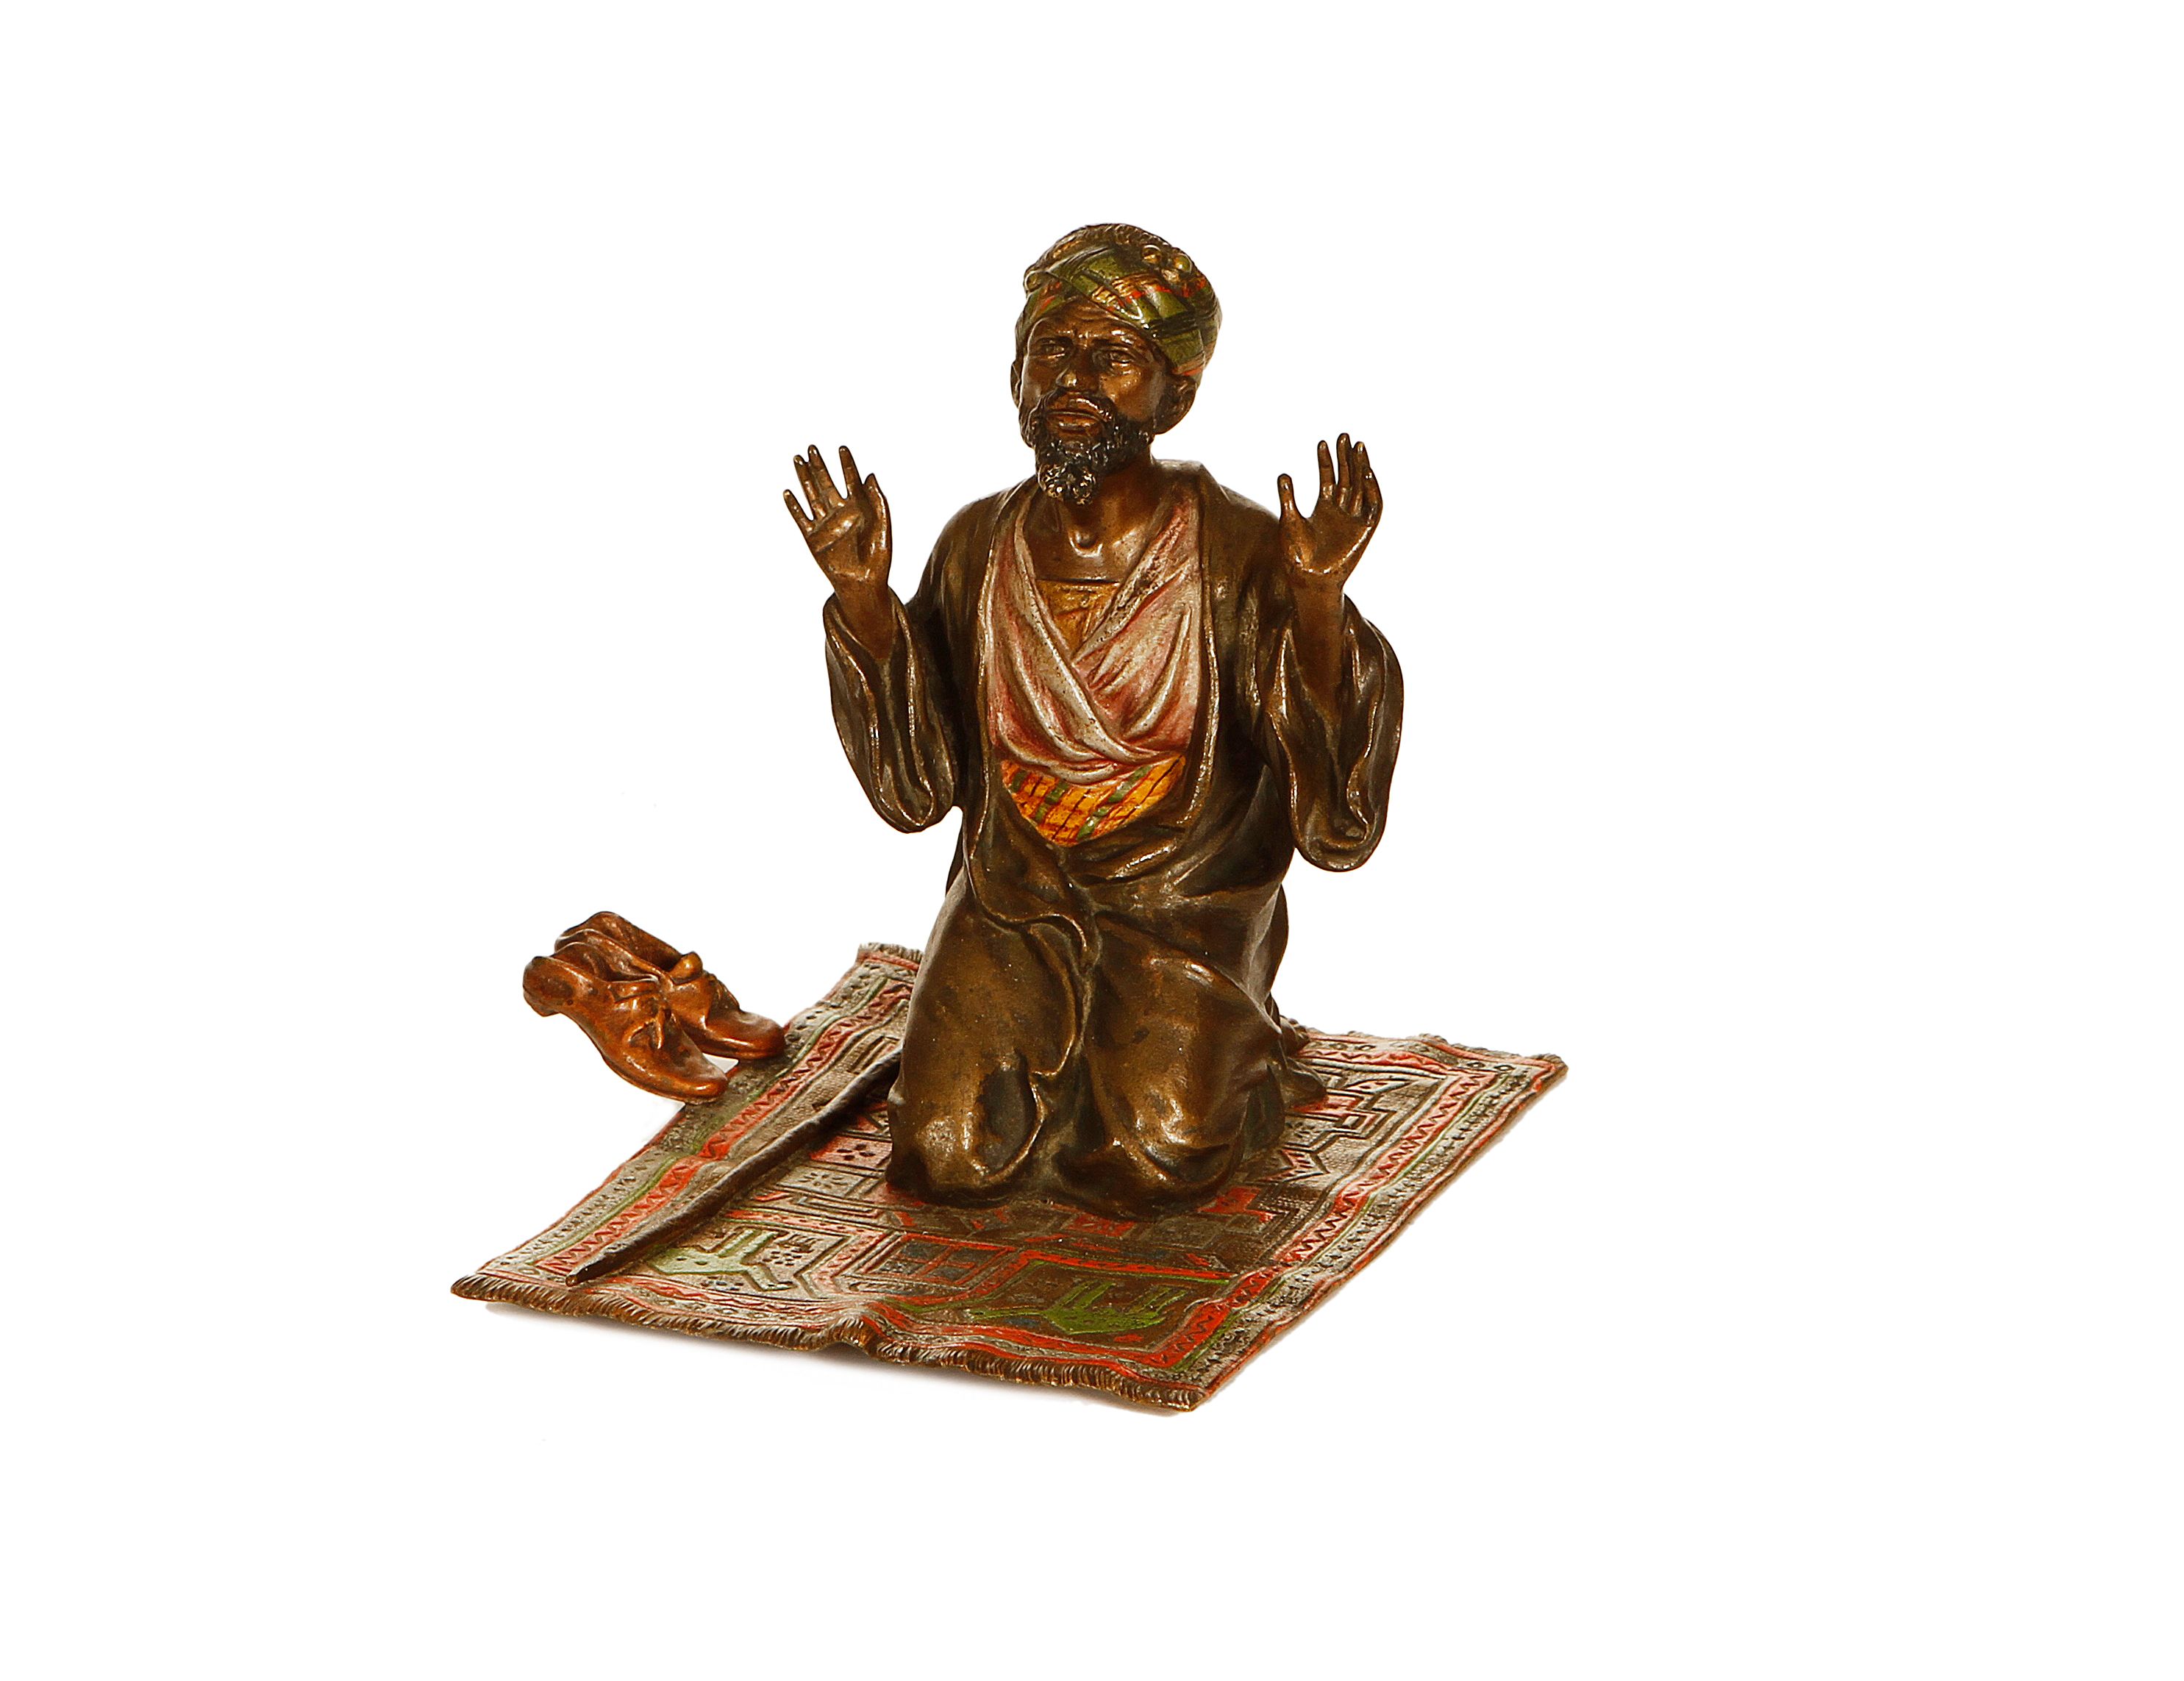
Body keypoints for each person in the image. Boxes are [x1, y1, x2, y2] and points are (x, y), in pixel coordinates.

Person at [782, 224, 1402, 1218]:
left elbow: (1331, 807)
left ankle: (1244, 1058)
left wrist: (1318, 603)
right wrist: (864, 602)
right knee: (940, 1153)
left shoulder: (1242, 551)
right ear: (1016, 375)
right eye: (1054, 350)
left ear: (1175, 395)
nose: (1074, 378)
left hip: (1182, 901)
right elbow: (920, 786)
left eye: (1112, 356)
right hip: (1012, 897)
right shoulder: (977, 544)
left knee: (1151, 1167)